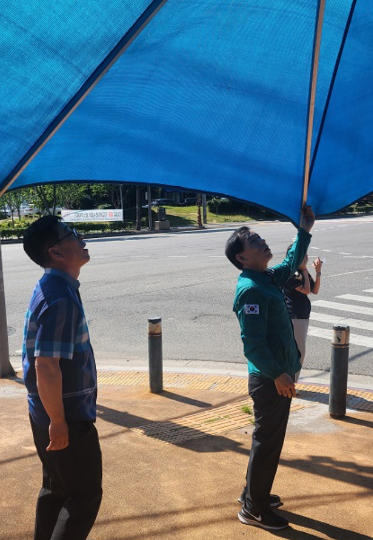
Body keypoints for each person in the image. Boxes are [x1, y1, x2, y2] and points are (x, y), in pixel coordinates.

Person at [225, 205, 315, 531]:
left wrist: (304, 230)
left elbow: (291, 262)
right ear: (242, 258)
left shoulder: (264, 278)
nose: (261, 240)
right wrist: (279, 374)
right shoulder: (251, 288)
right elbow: (253, 344)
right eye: (253, 240)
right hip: (270, 380)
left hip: (279, 375)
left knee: (266, 441)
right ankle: (254, 509)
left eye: (259, 236)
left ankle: (253, 493)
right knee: (268, 443)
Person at [22, 215, 102, 540]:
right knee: (84, 497)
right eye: (71, 233)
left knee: (56, 489)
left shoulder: (50, 286)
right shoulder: (60, 298)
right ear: (56, 252)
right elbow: (46, 366)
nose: (80, 236)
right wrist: (59, 421)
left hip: (45, 412)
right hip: (64, 416)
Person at [283, 250, 322, 382]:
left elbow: (314, 290)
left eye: (306, 255)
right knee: (299, 351)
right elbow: (305, 290)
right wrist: (305, 270)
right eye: (303, 256)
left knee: (299, 350)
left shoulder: (301, 272)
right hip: (294, 316)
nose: (306, 258)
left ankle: (291, 382)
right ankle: (290, 383)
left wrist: (318, 272)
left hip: (302, 315)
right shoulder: (291, 273)